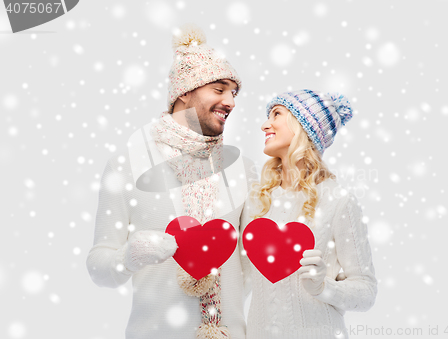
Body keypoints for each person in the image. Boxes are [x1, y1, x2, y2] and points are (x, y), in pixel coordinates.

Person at [86, 25, 255, 339]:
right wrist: (128, 257)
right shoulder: (126, 165)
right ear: (185, 92)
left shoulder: (243, 169)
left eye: (234, 93)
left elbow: (256, 268)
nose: (230, 101)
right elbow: (98, 268)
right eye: (219, 89)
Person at [240, 90, 377, 338]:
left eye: (276, 114)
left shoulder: (338, 200)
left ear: (303, 126)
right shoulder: (255, 201)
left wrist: (323, 287)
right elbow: (241, 281)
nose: (264, 125)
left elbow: (366, 292)